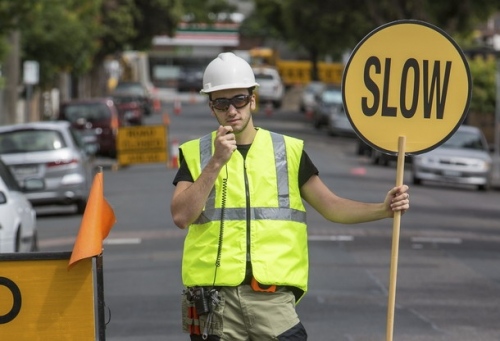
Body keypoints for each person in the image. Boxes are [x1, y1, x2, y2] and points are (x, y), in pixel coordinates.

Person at [171, 52, 410, 341]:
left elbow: (331, 206)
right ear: (212, 107)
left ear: (253, 99)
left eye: (239, 99)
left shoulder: (288, 151)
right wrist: (216, 163)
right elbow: (181, 216)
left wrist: (383, 209)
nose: (232, 110)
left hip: (272, 301)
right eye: (221, 102)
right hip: (215, 305)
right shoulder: (198, 154)